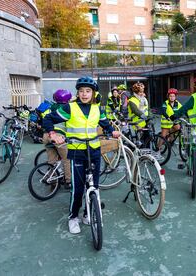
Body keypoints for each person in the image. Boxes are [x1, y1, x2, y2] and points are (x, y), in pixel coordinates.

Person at [42, 76, 120, 234]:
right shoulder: (70, 108)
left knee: (94, 187)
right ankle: (73, 218)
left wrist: (113, 131)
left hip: (94, 151)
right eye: (81, 91)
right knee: (77, 189)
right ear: (77, 93)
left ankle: (87, 214)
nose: (84, 94)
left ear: (93, 93)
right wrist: (53, 133)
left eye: (88, 91)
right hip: (77, 152)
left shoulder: (98, 109)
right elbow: (48, 118)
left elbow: (105, 124)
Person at [40, 89, 72, 189]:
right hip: (58, 136)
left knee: (51, 161)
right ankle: (68, 181)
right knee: (66, 159)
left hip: (46, 135)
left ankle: (52, 180)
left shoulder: (50, 107)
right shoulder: (67, 109)